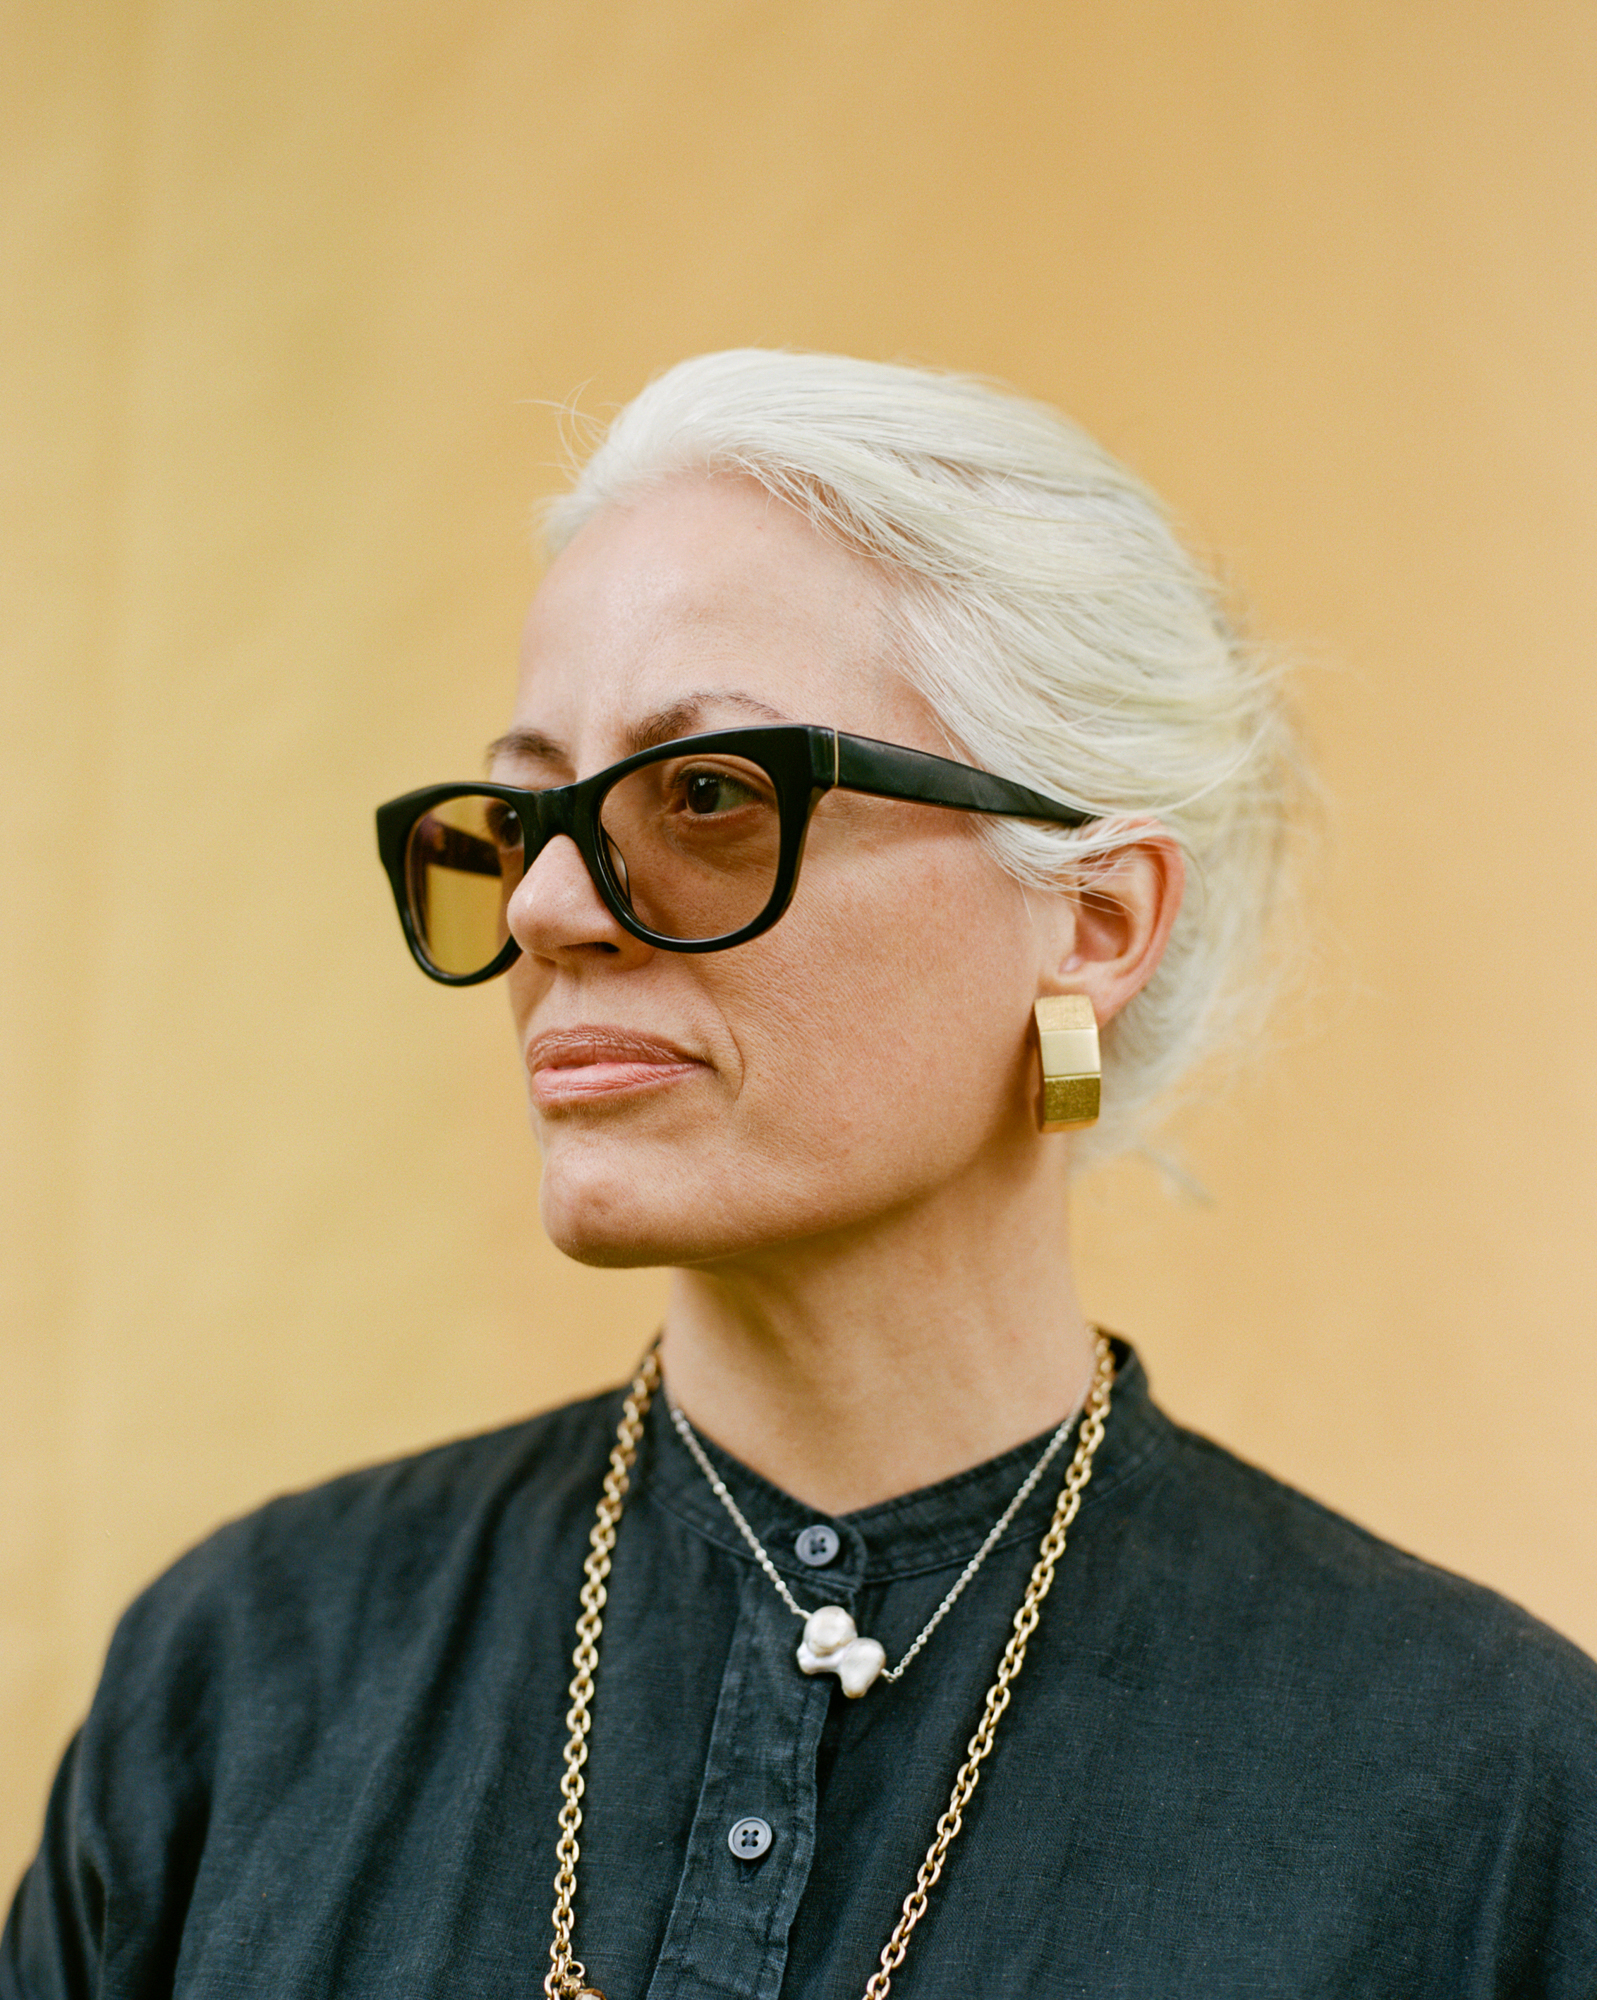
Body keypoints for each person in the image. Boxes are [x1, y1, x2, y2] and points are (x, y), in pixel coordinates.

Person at [5, 351, 1595, 2000]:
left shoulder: (1479, 1799)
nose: (550, 907)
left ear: (1091, 923)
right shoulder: (253, 1677)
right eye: (522, 813)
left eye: (704, 795)